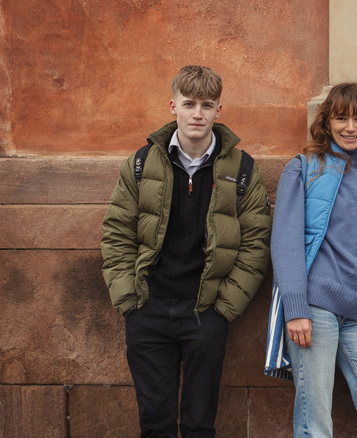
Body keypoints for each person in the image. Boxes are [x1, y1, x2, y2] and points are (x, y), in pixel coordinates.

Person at [100, 65, 272, 437]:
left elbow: (255, 244)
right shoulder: (142, 163)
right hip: (148, 308)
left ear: (218, 110)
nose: (197, 113)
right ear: (173, 106)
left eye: (207, 105)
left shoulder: (242, 169)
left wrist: (223, 308)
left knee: (199, 425)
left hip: (205, 312)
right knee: (155, 424)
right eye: (189, 104)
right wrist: (129, 300)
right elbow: (117, 233)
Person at [270, 82, 357, 438]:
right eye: (340, 118)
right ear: (326, 122)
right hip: (315, 308)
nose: (350, 127)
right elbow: (285, 242)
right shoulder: (304, 169)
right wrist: (296, 308)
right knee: (315, 422)